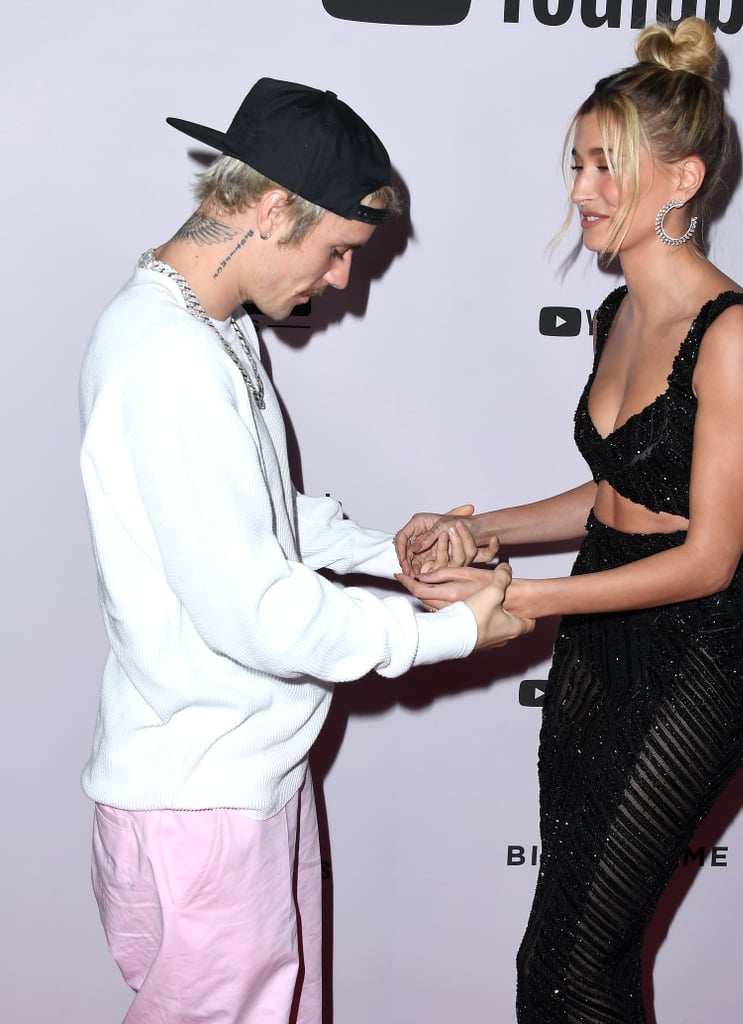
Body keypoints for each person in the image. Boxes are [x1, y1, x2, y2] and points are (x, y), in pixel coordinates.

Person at [78, 78, 532, 1024]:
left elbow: (260, 514)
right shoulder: (167, 358)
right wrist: (444, 631)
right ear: (273, 207)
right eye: (336, 254)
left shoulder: (213, 329)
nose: (340, 284)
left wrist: (389, 550)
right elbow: (259, 613)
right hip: (204, 804)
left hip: (243, 783)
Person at [394, 18, 743, 1023]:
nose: (582, 192)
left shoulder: (734, 338)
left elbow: (704, 555)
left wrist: (523, 595)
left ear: (684, 181)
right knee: (566, 952)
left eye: (609, 167)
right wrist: (480, 533)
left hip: (697, 658)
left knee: (571, 961)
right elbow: (614, 497)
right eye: (577, 164)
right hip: (600, 644)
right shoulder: (618, 317)